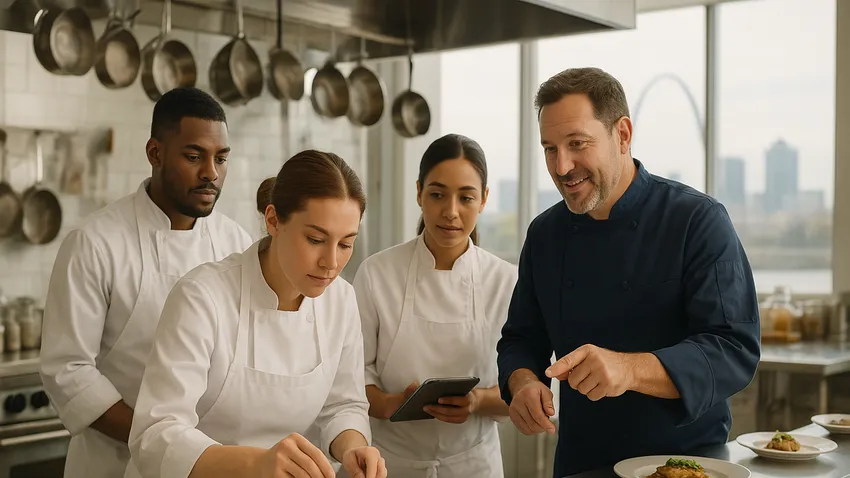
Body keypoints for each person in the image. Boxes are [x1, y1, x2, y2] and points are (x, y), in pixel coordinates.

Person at [496, 67, 760, 476]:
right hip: (581, 463)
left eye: (577, 144)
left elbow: (733, 349)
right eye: (550, 148)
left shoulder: (697, 221)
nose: (562, 166)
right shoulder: (545, 234)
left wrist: (628, 369)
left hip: (682, 463)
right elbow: (520, 338)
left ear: (622, 134)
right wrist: (524, 382)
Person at [126, 150, 386, 478]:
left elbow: (343, 405)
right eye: (315, 239)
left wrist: (352, 447)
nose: (331, 262)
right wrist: (257, 464)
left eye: (346, 244)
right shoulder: (203, 297)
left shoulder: (342, 301)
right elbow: (155, 435)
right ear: (273, 220)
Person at [39, 87, 253, 478]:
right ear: (155, 153)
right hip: (112, 464)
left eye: (221, 159)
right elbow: (67, 370)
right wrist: (159, 439)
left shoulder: (236, 243)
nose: (211, 173)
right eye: (194, 156)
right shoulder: (96, 243)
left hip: (210, 463)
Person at [354, 134, 517, 477]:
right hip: (391, 464)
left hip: (474, 466)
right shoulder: (377, 274)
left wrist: (477, 402)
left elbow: (528, 387)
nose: (451, 212)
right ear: (419, 193)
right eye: (438, 194)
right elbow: (348, 377)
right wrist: (390, 405)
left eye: (466, 197)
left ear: (484, 199)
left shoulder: (507, 282)